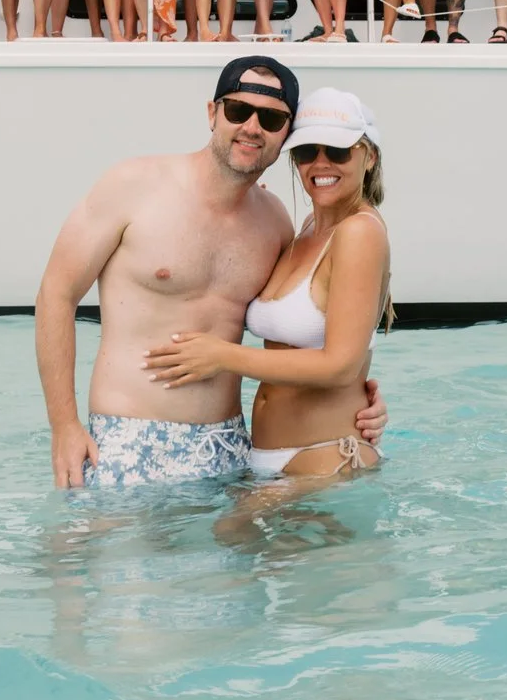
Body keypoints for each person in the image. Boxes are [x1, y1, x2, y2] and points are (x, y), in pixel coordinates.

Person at [33, 57, 385, 489]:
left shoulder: (276, 222)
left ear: (284, 137)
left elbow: (320, 322)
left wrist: (358, 398)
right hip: (128, 440)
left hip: (231, 451)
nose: (252, 127)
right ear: (212, 113)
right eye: (238, 111)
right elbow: (56, 293)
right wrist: (64, 425)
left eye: (272, 119)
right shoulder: (134, 185)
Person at [144, 87, 392, 481]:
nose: (320, 163)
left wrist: (220, 356)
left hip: (325, 459)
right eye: (307, 152)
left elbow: (340, 366)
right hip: (275, 462)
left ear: (369, 155)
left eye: (338, 151)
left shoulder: (360, 232)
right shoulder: (310, 229)